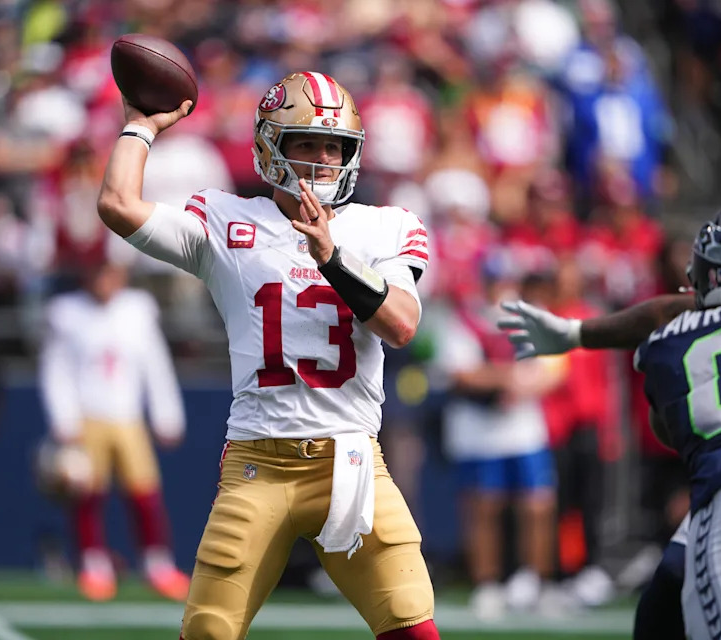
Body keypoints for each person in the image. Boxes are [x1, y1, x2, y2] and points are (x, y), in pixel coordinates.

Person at [96, 71, 439, 640]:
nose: (323, 159)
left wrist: (331, 257)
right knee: (209, 631)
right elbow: (117, 204)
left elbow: (400, 325)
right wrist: (139, 127)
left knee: (412, 627)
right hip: (259, 467)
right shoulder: (229, 221)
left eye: (336, 146)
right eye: (306, 143)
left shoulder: (384, 226)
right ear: (269, 147)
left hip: (353, 463)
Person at [501, 202, 721, 639]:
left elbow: (665, 421)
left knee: (668, 600)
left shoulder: (670, 342)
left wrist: (578, 334)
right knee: (668, 587)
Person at [39, 259, 190, 602]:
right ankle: (94, 565)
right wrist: (64, 418)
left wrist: (167, 414)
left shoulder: (137, 310)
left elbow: (156, 364)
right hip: (88, 417)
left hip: (128, 416)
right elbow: (55, 369)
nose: (104, 280)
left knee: (145, 493)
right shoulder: (67, 313)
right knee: (88, 495)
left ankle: (158, 564)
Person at [431, 253, 561, 619]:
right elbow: (461, 373)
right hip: (478, 431)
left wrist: (515, 383)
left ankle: (537, 581)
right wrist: (511, 377)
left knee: (538, 505)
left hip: (524, 429)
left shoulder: (527, 318)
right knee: (484, 508)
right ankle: (487, 583)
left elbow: (552, 369)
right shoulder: (464, 319)